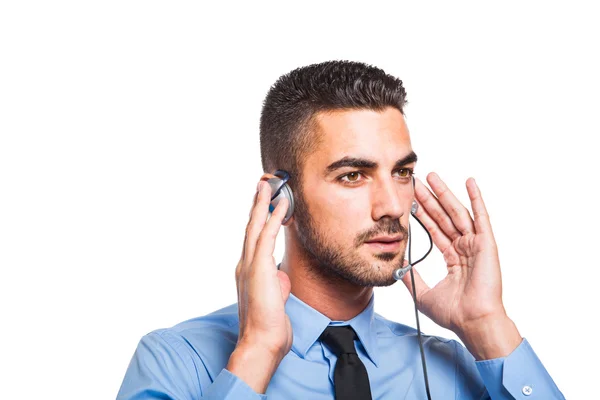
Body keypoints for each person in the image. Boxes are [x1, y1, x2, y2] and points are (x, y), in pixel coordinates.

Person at [116, 60, 565, 399]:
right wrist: (255, 355)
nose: (392, 206)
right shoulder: (177, 362)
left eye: (402, 172)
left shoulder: (454, 369)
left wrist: (488, 327)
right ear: (279, 199)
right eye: (353, 175)